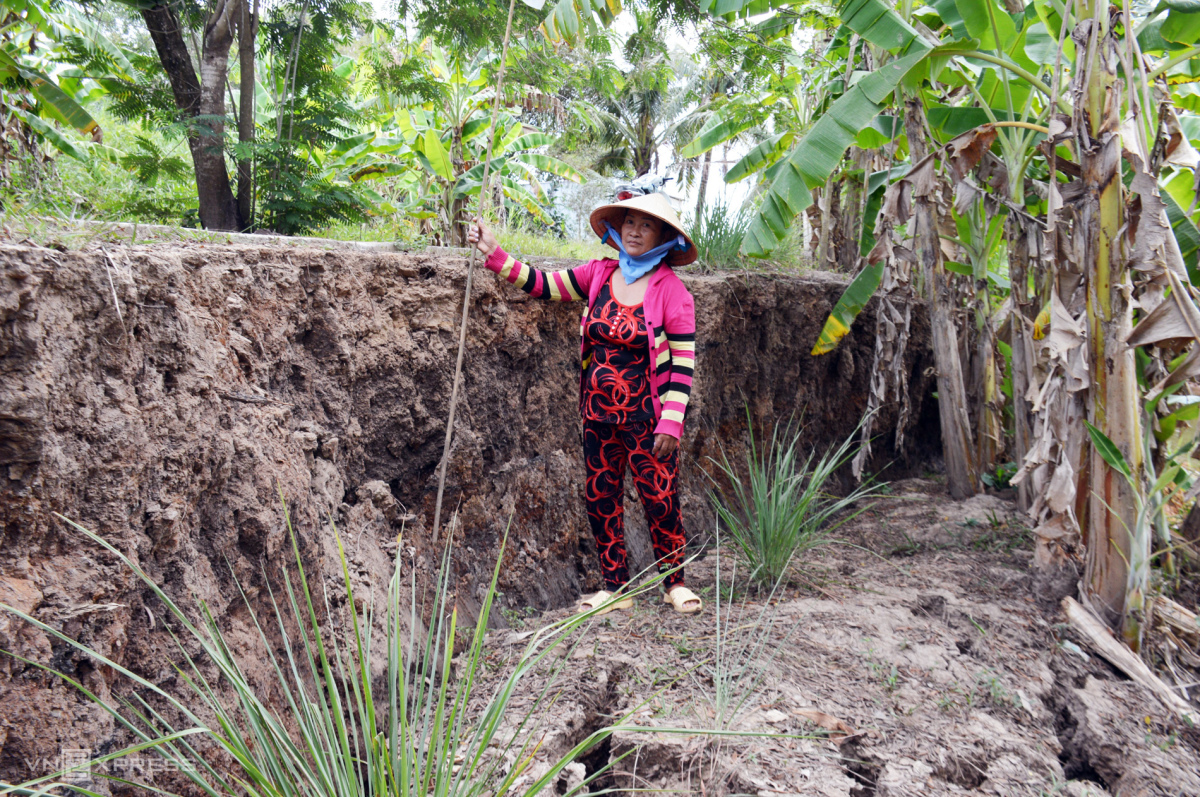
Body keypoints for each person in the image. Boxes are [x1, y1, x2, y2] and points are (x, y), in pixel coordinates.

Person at [467, 190, 702, 615]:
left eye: (646, 224)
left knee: (660, 498)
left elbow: (683, 365)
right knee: (602, 497)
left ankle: (675, 583)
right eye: (629, 221)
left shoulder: (672, 292)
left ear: (664, 236)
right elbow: (543, 285)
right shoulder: (598, 273)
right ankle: (615, 588)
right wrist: (494, 253)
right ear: (617, 228)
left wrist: (671, 422)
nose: (634, 230)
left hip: (647, 419)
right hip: (597, 414)